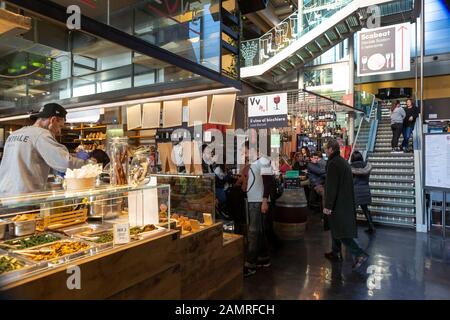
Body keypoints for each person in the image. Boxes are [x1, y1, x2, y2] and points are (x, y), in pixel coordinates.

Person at [0, 103, 85, 195]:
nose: (59, 131)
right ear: (53, 120)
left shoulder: (14, 134)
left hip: (4, 195)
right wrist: (88, 164)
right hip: (25, 197)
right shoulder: (41, 134)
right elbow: (64, 163)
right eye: (60, 126)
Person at [323, 139, 369, 270]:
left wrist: (328, 206)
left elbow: (332, 187)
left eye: (326, 148)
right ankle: (335, 252)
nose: (325, 151)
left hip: (338, 204)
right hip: (345, 201)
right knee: (335, 228)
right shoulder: (342, 161)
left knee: (341, 232)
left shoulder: (333, 164)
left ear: (331, 149)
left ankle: (359, 254)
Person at [243, 141, 273, 277]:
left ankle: (250, 264)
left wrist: (265, 201)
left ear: (253, 150)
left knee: (254, 232)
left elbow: (268, 183)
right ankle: (263, 258)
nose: (245, 154)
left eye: (246, 151)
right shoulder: (255, 163)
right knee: (259, 231)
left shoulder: (263, 161)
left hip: (258, 201)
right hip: (254, 200)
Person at [350, 151, 375, 234]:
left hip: (355, 191)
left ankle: (352, 228)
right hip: (365, 189)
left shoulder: (350, 167)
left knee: (353, 211)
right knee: (365, 209)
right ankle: (371, 226)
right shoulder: (367, 166)